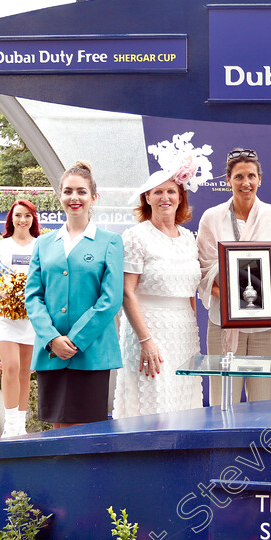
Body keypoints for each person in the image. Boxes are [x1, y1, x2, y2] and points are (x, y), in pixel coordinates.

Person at [25, 161, 124, 428]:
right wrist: (52, 338)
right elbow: (33, 297)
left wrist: (76, 339)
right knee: (57, 428)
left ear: (93, 197)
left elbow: (111, 299)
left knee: (88, 432)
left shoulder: (110, 242)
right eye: (68, 191)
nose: (74, 198)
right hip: (52, 353)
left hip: (92, 352)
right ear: (60, 196)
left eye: (81, 191)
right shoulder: (43, 243)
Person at [197, 148, 271, 405]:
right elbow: (204, 272)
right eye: (239, 176)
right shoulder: (211, 217)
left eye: (251, 176)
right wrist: (232, 302)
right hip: (224, 323)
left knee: (264, 403)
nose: (246, 183)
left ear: (260, 179)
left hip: (266, 327)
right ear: (228, 180)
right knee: (223, 402)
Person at [113, 157, 204, 418]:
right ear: (148, 198)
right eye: (158, 192)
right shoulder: (135, 235)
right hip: (149, 333)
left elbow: (190, 293)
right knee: (153, 403)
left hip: (184, 334)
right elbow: (126, 292)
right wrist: (145, 340)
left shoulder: (188, 238)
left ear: (180, 197)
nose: (165, 197)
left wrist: (193, 333)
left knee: (183, 403)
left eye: (171, 191)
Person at [0, 199, 40, 437]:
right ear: (11, 218)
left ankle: (20, 425)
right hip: (5, 316)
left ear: (33, 219)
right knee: (11, 366)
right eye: (18, 215)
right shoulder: (0, 246)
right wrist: (5, 292)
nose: (22, 220)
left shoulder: (41, 245)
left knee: (25, 371)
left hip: (30, 317)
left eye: (27, 215)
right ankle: (10, 426)